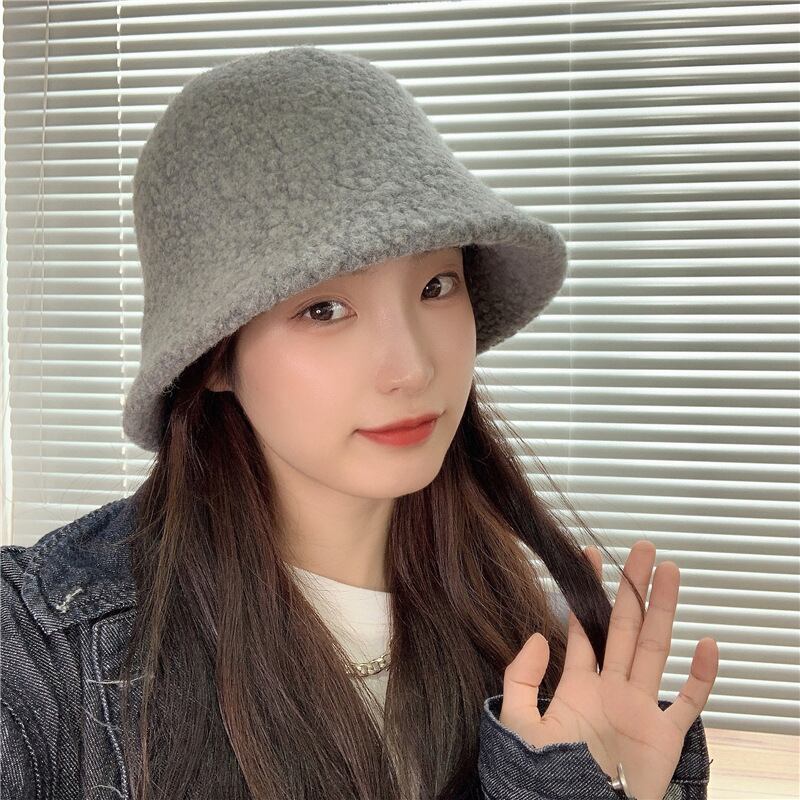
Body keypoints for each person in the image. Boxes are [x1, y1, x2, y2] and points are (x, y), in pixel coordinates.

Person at [1, 47, 717, 800]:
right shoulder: (43, 662)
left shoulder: (531, 652)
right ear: (212, 360)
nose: (411, 368)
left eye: (436, 286)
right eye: (324, 308)